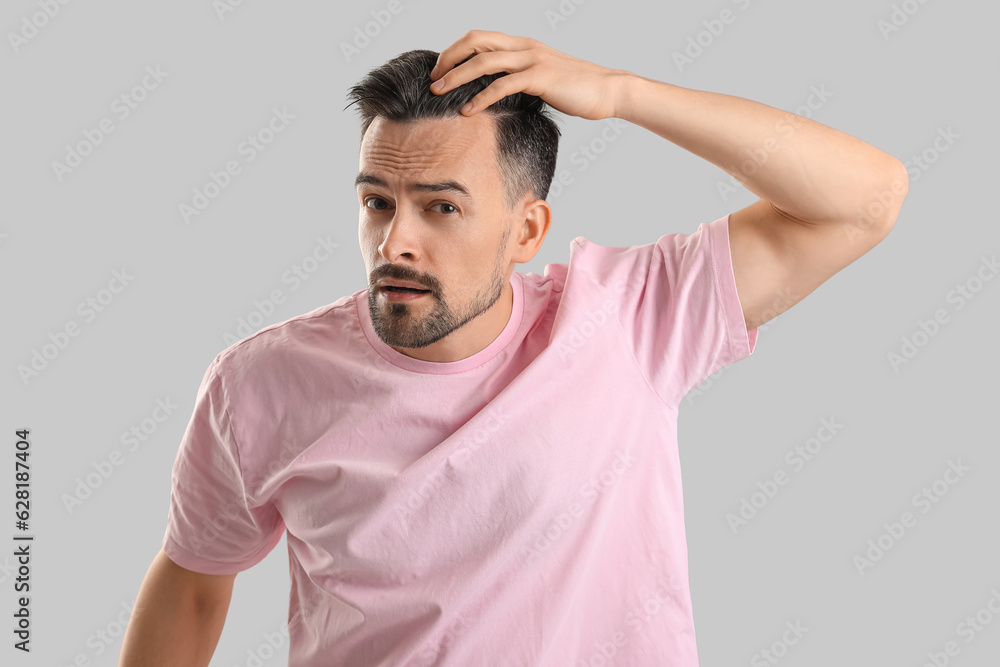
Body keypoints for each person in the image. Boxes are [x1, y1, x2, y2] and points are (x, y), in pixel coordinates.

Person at [119, 30, 907, 666]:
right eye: (376, 202)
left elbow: (867, 198)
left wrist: (623, 93)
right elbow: (191, 583)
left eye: (442, 208)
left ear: (526, 230)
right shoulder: (260, 382)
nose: (396, 241)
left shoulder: (631, 319)